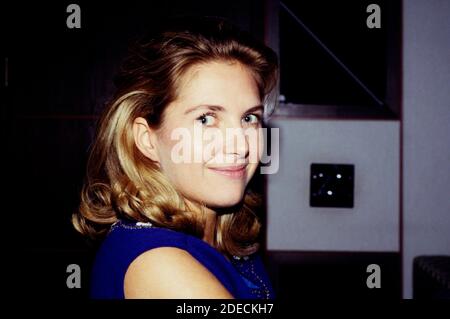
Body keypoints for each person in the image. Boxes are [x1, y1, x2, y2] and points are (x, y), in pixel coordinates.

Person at [72, 16, 279, 299]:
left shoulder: (221, 236)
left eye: (248, 118)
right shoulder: (161, 266)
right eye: (206, 118)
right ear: (147, 139)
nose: (240, 145)